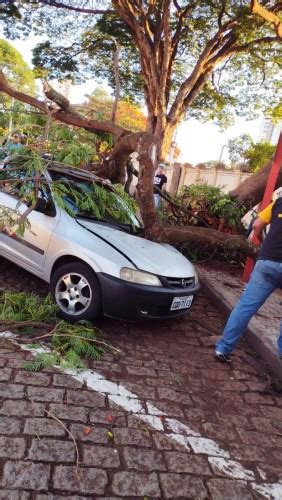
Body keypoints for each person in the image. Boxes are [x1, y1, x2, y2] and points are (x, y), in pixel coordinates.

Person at [215, 196, 282, 363]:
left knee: (245, 307)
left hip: (267, 262)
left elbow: (257, 225)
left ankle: (223, 349)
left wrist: (262, 242)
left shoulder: (279, 202)